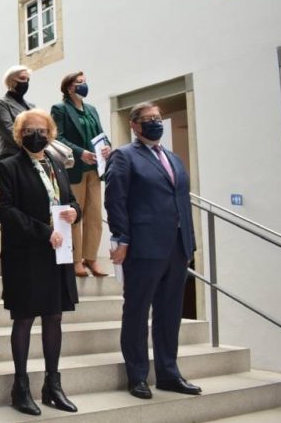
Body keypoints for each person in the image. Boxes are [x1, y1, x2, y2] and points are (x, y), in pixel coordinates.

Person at [105, 101, 201, 400]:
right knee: (136, 312)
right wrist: (121, 238)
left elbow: (182, 202)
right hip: (143, 247)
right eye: (148, 119)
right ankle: (137, 376)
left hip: (176, 247)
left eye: (158, 118)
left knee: (170, 313)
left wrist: (190, 243)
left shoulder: (173, 158)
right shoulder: (124, 156)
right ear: (134, 125)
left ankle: (169, 374)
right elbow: (115, 200)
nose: (155, 123)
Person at [0, 109, 80, 416]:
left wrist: (74, 212)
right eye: (30, 130)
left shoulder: (57, 164)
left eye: (42, 131)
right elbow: (4, 210)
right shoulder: (8, 166)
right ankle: (20, 387)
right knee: (25, 318)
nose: (37, 135)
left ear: (50, 134)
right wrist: (44, 232)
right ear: (19, 134)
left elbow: (70, 200)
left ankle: (52, 386)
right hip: (26, 252)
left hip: (58, 252)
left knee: (54, 316)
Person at [51, 71, 110, 277]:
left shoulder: (91, 110)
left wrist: (106, 147)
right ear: (69, 87)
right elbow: (57, 138)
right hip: (74, 168)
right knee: (76, 214)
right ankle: (76, 260)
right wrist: (80, 152)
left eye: (85, 82)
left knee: (94, 215)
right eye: (79, 82)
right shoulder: (60, 109)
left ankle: (91, 258)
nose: (84, 85)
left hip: (94, 169)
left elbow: (101, 135)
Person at [0, 65, 35, 160]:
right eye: (22, 78)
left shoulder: (32, 107)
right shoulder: (1, 104)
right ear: (11, 81)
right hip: (12, 157)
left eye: (28, 79)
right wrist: (33, 144)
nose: (26, 82)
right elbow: (9, 130)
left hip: (32, 157)